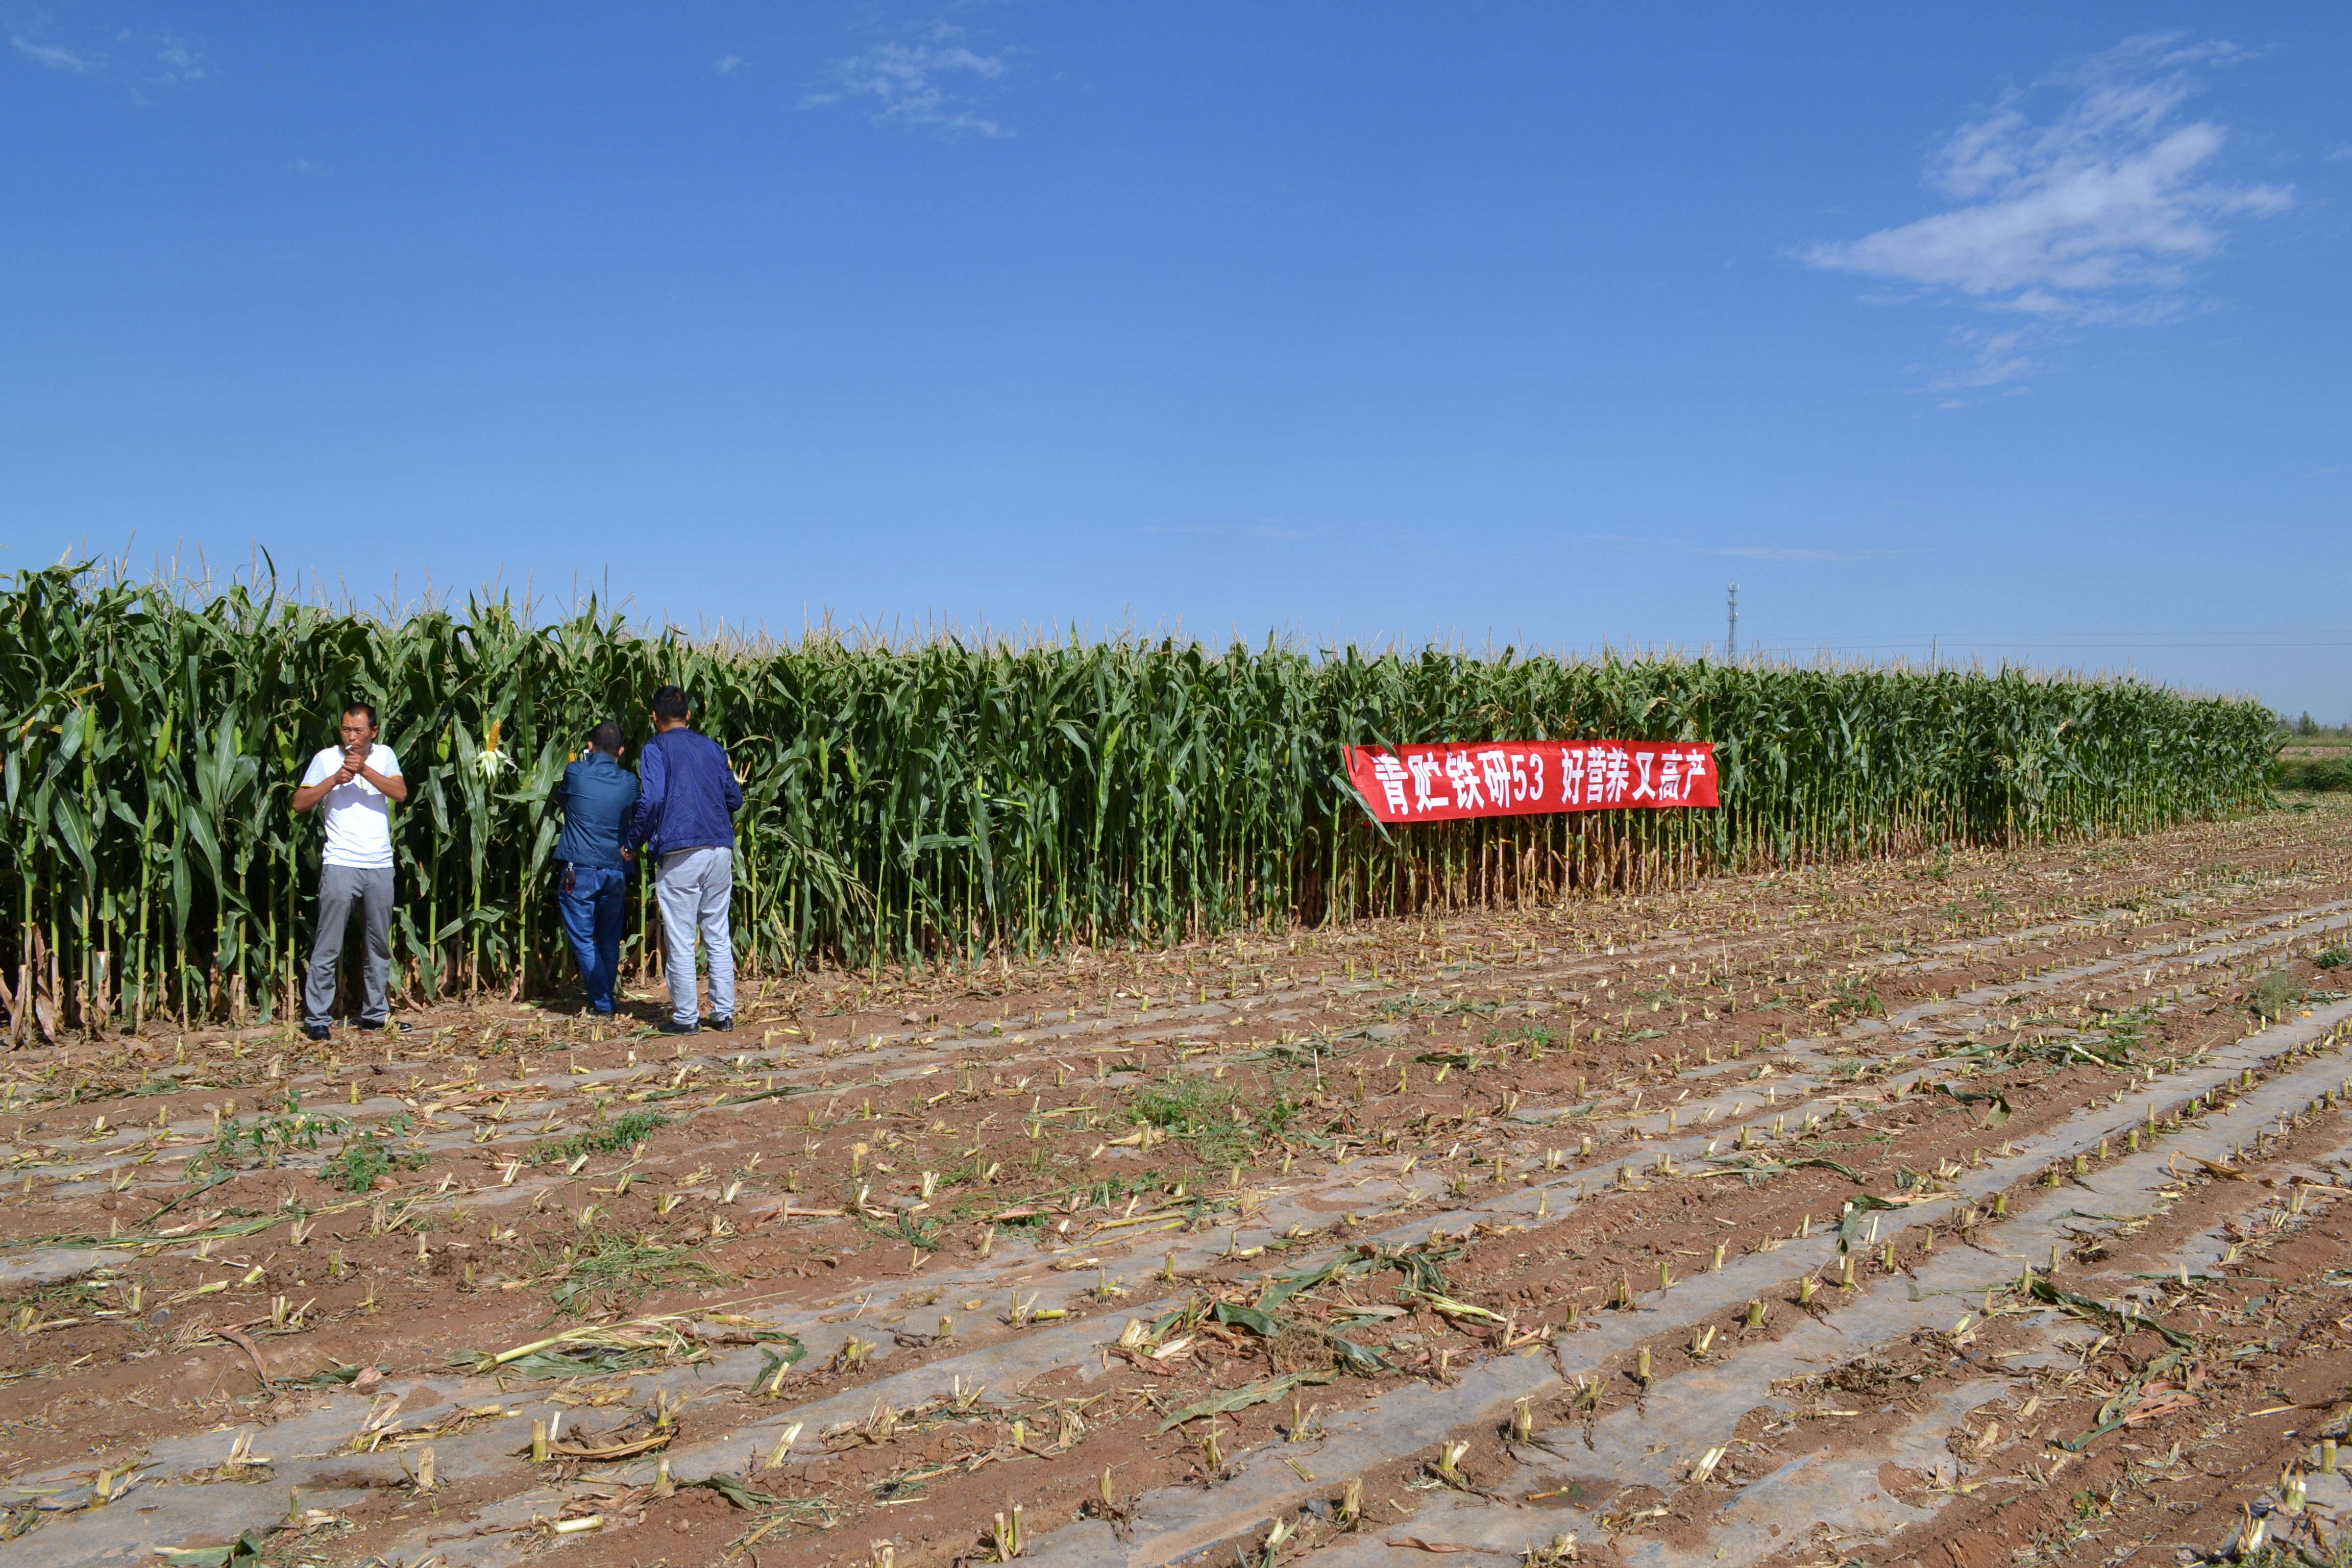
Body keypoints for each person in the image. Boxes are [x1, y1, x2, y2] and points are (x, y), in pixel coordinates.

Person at [628, 685, 743, 1034]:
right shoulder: (712, 747)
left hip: (680, 852)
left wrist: (633, 842)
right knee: (718, 934)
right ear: (689, 715)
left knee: (680, 937)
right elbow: (734, 799)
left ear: (654, 718)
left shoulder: (655, 747)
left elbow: (653, 801)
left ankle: (686, 1018)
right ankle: (723, 1015)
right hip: (720, 849)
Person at [292, 702, 408, 1041]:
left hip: (379, 865)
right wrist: (334, 780)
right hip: (341, 863)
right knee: (328, 944)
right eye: (346, 730)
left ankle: (374, 1015)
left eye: (358, 731)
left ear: (374, 732)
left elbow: (401, 793)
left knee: (378, 946)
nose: (351, 737)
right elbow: (299, 804)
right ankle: (317, 1018)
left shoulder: (385, 756)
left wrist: (364, 772)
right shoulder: (327, 759)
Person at [553, 720, 641, 1017]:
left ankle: (603, 1004)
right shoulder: (629, 781)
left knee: (582, 937)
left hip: (580, 868)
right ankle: (604, 1000)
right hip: (616, 870)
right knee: (607, 938)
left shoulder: (576, 771)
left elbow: (561, 799)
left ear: (589, 747)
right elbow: (637, 811)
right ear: (621, 751)